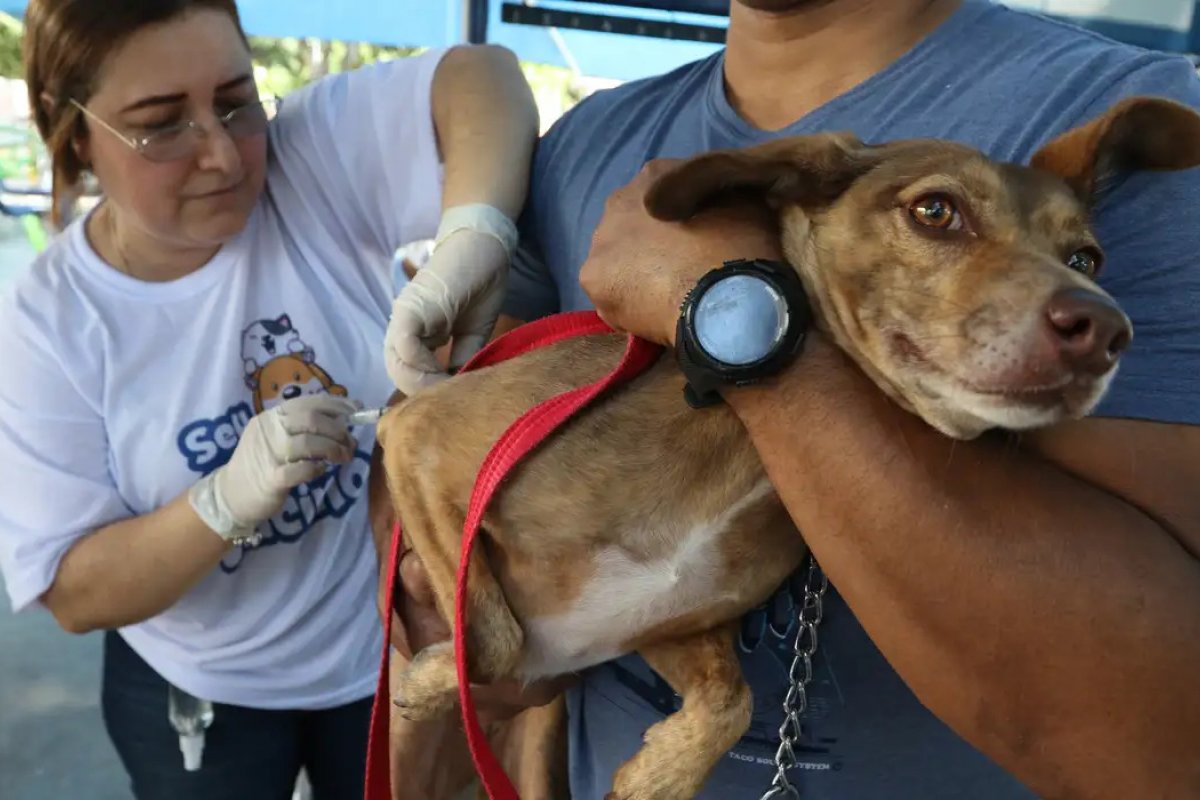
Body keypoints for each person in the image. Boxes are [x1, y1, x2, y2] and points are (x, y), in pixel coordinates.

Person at [383, 0, 1200, 797]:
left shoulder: (1105, 111)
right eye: (937, 213)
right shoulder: (591, 142)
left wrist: (730, 310)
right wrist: (446, 617)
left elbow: (1167, 744)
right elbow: (430, 485)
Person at [0, 1, 538, 798]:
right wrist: (222, 501)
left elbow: (482, 77)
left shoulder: (302, 159)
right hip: (202, 685)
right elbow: (76, 591)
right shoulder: (48, 324)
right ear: (74, 133)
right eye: (161, 124)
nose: (223, 154)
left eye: (235, 100)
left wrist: (474, 239)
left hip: (385, 651)